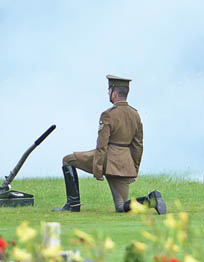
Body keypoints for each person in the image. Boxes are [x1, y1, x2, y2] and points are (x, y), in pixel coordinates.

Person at [54, 74, 166, 214]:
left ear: (113, 93)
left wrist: (98, 168)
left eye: (109, 91)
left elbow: (102, 145)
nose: (108, 93)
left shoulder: (108, 114)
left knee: (68, 160)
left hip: (108, 159)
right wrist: (134, 170)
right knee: (121, 206)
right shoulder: (135, 114)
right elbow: (138, 145)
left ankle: (73, 204)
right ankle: (150, 200)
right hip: (125, 163)